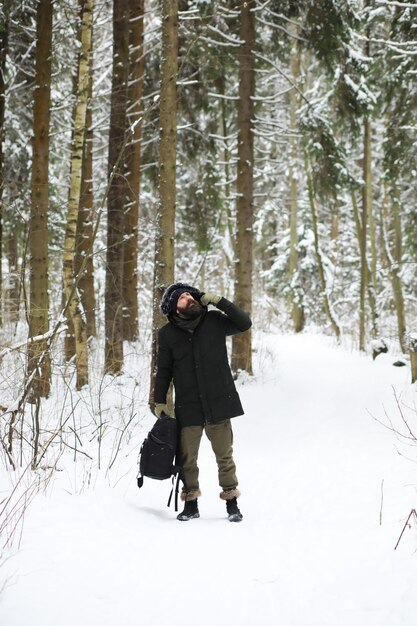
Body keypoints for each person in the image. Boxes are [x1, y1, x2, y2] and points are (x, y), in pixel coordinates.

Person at [153, 282, 252, 522]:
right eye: (183, 299)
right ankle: (191, 505)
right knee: (187, 459)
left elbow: (244, 323)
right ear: (174, 308)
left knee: (224, 456)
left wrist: (218, 300)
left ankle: (232, 503)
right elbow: (164, 370)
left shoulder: (215, 321)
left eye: (191, 295)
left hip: (218, 401)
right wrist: (159, 401)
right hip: (188, 406)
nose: (190, 299)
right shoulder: (167, 334)